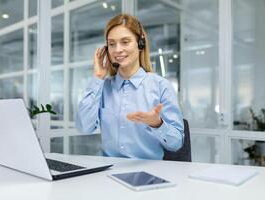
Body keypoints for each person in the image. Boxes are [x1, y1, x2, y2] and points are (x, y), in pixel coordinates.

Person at [76, 14, 184, 160]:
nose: (117, 50)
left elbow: (176, 143)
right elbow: (84, 127)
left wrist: (157, 124)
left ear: (140, 44)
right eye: (112, 44)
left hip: (148, 172)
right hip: (108, 170)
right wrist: (98, 77)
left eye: (125, 42)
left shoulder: (161, 86)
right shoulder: (103, 87)